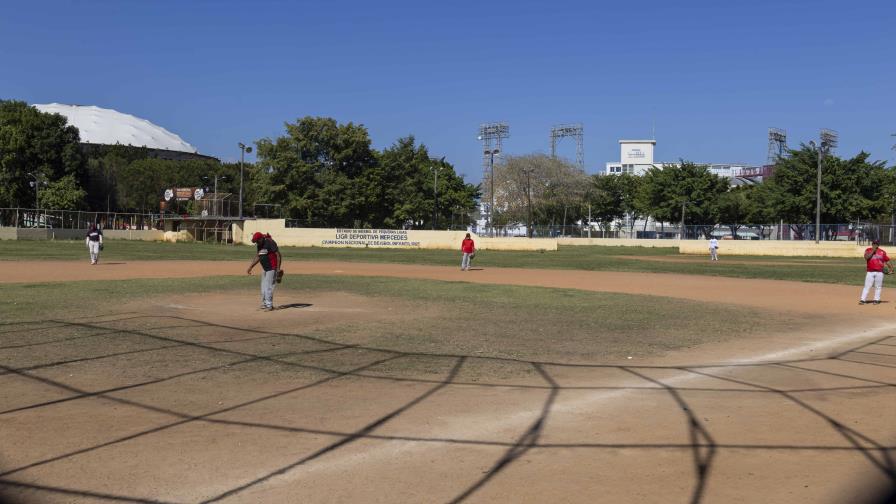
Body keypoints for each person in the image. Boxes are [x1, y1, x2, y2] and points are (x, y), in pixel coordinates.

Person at [247, 231, 282, 311]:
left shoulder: (270, 242)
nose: (257, 243)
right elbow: (258, 256)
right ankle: (264, 304)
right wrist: (251, 266)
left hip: (272, 267)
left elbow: (278, 255)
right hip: (265, 268)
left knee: (268, 287)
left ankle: (269, 305)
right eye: (255, 242)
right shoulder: (259, 245)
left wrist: (278, 268)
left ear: (261, 238)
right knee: (263, 287)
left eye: (257, 241)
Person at [860, 239, 892, 305]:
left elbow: (887, 261)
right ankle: (863, 299)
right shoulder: (868, 250)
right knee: (867, 286)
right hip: (870, 272)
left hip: (880, 272)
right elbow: (866, 257)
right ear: (872, 244)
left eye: (876, 244)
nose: (875, 245)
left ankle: (876, 300)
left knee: (878, 286)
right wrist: (872, 251)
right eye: (874, 243)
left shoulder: (882, 252)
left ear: (878, 245)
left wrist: (891, 269)